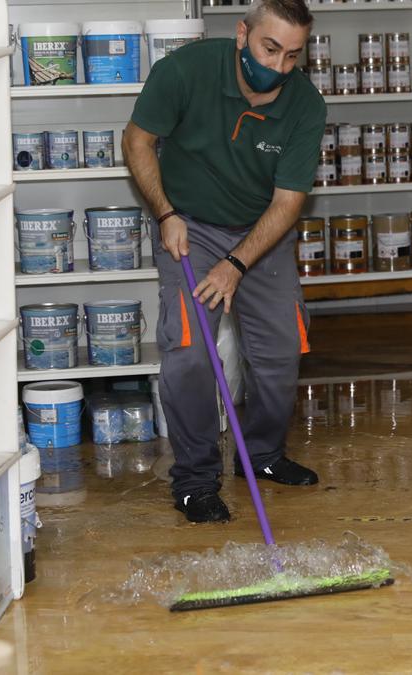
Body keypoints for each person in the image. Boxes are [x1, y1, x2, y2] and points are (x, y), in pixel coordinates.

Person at [124, 0, 326, 524]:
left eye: (293, 56)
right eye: (270, 48)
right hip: (188, 227)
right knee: (190, 352)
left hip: (262, 234)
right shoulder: (184, 72)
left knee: (282, 352)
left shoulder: (305, 104)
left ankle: (260, 457)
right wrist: (165, 213)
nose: (280, 66)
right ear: (242, 34)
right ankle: (194, 480)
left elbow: (287, 203)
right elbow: (138, 140)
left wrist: (236, 265)